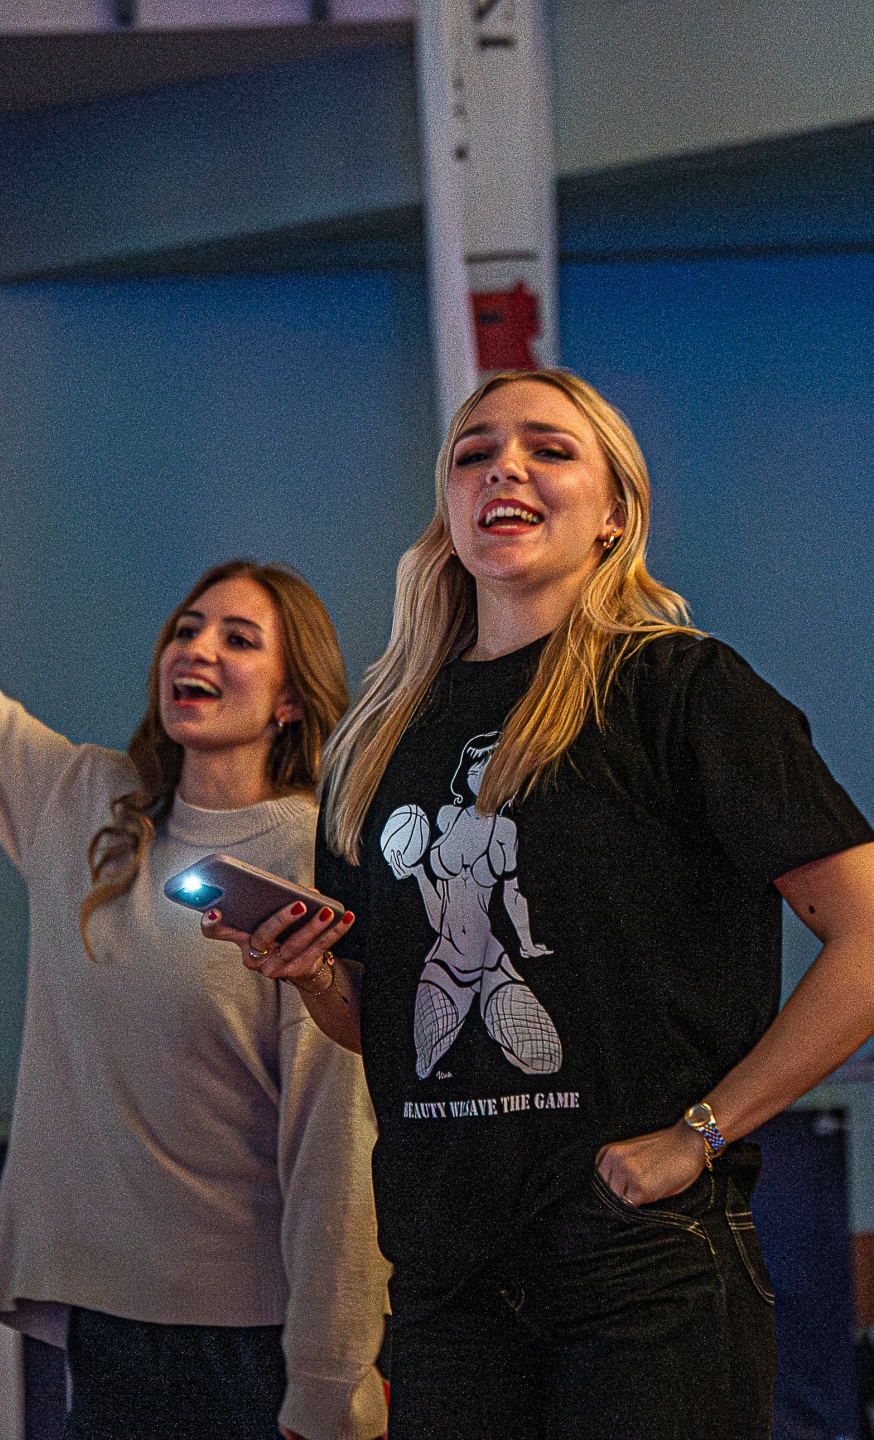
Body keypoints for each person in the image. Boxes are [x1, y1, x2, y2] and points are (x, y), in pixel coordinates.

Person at [207, 368, 874, 1439]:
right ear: (449, 510)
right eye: (474, 453)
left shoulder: (681, 690)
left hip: (641, 1261)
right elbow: (377, 1024)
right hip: (447, 1278)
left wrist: (697, 1136)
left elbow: (866, 936)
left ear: (615, 513)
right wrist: (317, 972)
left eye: (549, 449)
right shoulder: (380, 735)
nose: (503, 468)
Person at [0, 378, 389, 1440]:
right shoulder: (84, 804)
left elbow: (335, 1147)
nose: (196, 650)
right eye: (186, 630)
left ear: (293, 697)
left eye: (239, 640)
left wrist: (330, 1382)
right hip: (106, 1330)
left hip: (258, 1343)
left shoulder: (317, 858)